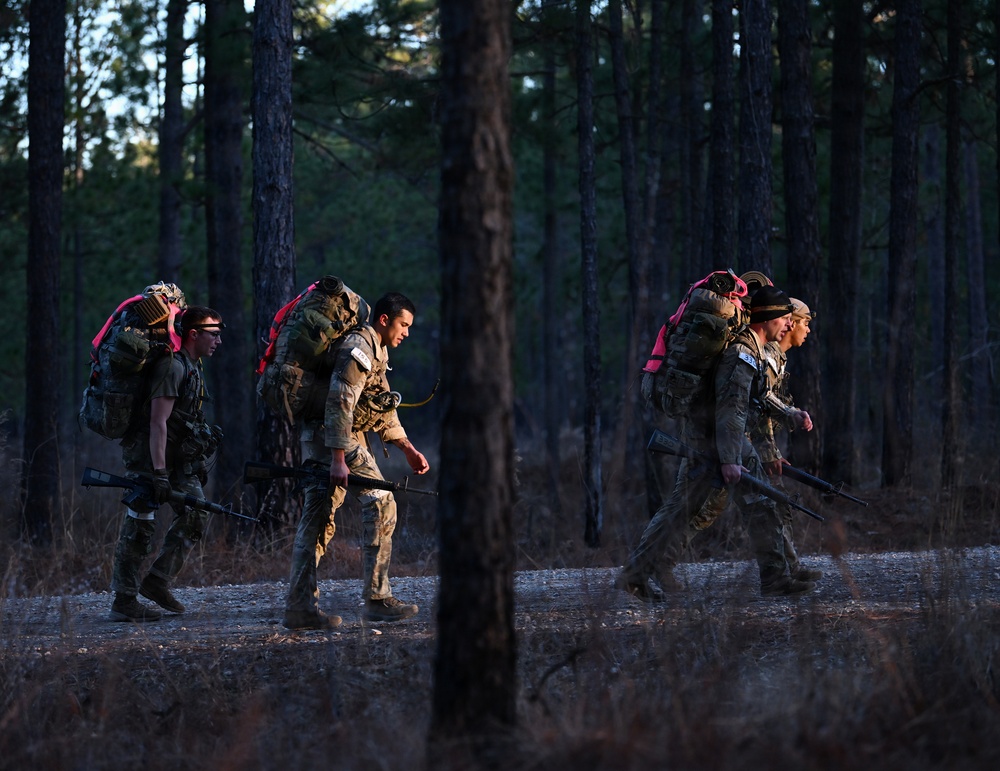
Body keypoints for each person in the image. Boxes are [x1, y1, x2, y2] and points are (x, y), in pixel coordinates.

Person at [618, 285, 816, 600]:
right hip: (715, 438)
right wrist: (729, 460)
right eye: (784, 318)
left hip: (722, 438)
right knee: (687, 508)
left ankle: (777, 576)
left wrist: (790, 412)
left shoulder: (752, 348)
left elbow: (757, 396)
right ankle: (635, 574)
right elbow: (731, 409)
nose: (790, 324)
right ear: (767, 319)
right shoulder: (743, 353)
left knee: (750, 504)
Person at [283, 292, 430, 631]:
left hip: (326, 436)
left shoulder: (375, 349)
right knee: (381, 501)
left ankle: (299, 607)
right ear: (384, 320)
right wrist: (338, 457)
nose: (406, 332)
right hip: (336, 437)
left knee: (318, 518)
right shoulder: (359, 347)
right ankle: (377, 599)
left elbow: (381, 404)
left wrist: (407, 447)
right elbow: (339, 401)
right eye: (403, 325)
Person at [109, 306, 225, 622]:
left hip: (176, 459)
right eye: (213, 335)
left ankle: (157, 581)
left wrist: (194, 460)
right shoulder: (173, 367)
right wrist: (158, 473)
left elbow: (186, 420)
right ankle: (124, 600)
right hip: (150, 458)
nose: (218, 341)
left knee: (197, 512)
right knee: (140, 525)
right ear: (194, 334)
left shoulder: (193, 367)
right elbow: (157, 422)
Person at [753, 297, 821, 582]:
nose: (804, 329)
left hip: (747, 445)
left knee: (775, 505)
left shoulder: (776, 358)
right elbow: (755, 406)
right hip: (741, 446)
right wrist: (767, 451)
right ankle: (779, 574)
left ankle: (788, 567)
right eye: (804, 322)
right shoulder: (767, 356)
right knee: (694, 511)